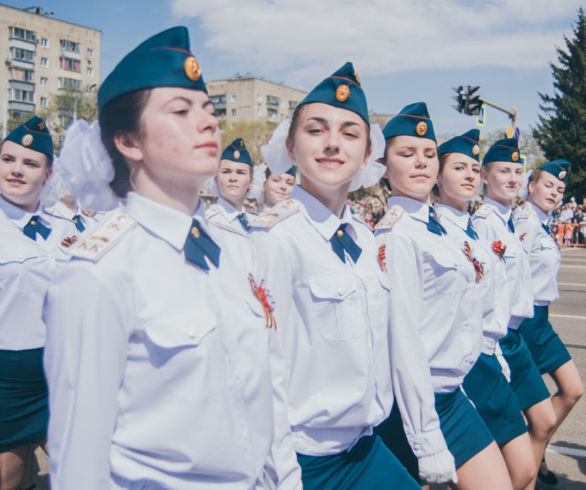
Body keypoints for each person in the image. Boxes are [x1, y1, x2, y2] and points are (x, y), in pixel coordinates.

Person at [42, 26, 295, 489]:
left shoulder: (235, 248)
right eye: (180, 111)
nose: (209, 123)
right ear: (128, 143)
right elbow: (79, 459)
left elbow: (266, 389)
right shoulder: (100, 273)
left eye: (209, 109)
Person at [251, 62, 422, 489]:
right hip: (303, 460)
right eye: (316, 130)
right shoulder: (273, 239)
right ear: (290, 148)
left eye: (349, 133)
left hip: (364, 447)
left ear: (367, 155)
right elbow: (259, 371)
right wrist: (281, 475)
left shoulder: (365, 238)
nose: (332, 143)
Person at [375, 104, 512, 489]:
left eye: (429, 154)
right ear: (384, 168)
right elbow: (402, 342)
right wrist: (426, 439)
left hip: (454, 394)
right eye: (406, 154)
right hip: (418, 401)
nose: (420, 163)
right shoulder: (396, 235)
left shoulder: (439, 228)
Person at [436, 130, 536, 489]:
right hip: (469, 364)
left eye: (473, 168)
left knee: (522, 470)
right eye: (458, 167)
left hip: (492, 354)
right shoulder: (442, 231)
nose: (468, 175)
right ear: (437, 175)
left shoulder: (470, 229)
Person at [0, 116, 81, 490]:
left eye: (30, 163)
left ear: (48, 174)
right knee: (8, 477)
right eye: (8, 160)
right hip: (6, 379)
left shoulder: (66, 229)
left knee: (82, 473)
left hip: (61, 372)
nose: (16, 170)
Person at [472, 138, 557, 488]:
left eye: (518, 172)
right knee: (508, 452)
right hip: (498, 340)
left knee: (545, 421)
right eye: (504, 171)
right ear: (485, 177)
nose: (512, 178)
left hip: (516, 339)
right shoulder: (483, 221)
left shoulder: (509, 220)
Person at [514, 160, 584, 485]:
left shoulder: (541, 222)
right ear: (531, 186)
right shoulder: (524, 221)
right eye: (548, 186)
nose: (555, 193)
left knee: (572, 390)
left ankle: (537, 447)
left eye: (560, 189)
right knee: (522, 409)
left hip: (542, 321)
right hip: (524, 321)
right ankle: (529, 459)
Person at [206, 138, 256, 272]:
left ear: (251, 182)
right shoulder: (206, 222)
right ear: (216, 179)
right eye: (226, 171)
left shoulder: (258, 223)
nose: (233, 178)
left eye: (240, 173)